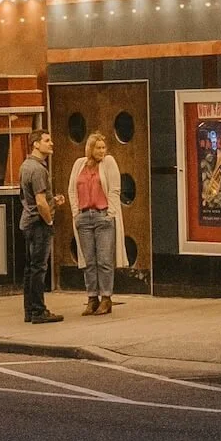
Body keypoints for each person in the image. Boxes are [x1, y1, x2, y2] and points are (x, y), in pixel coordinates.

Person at [68, 132, 128, 316]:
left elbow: (115, 190)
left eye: (103, 147)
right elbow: (72, 190)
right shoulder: (79, 164)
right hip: (84, 217)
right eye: (98, 147)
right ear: (90, 148)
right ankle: (92, 298)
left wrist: (110, 214)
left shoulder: (108, 162)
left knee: (104, 260)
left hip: (102, 216)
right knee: (89, 261)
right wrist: (76, 213)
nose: (102, 151)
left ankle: (106, 298)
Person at [19, 130, 66, 324]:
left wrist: (52, 201)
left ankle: (29, 310)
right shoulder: (38, 169)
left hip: (28, 222)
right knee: (39, 268)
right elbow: (39, 202)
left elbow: (34, 198)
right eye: (47, 140)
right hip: (38, 224)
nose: (51, 143)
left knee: (30, 268)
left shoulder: (25, 165)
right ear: (36, 144)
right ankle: (38, 311)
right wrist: (49, 220)